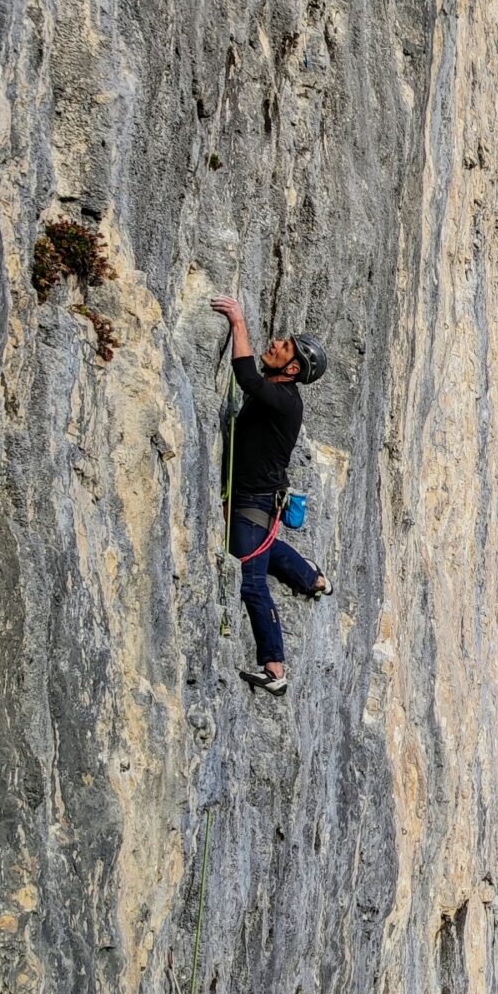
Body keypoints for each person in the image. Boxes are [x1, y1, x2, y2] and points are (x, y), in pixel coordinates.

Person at [211, 296, 331, 697]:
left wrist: (237, 322)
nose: (276, 343)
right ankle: (310, 577)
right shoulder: (279, 394)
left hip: (253, 503)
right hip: (257, 499)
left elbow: (246, 376)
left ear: (293, 368)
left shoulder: (284, 402)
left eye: (284, 346)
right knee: (264, 547)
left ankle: (275, 668)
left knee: (252, 580)